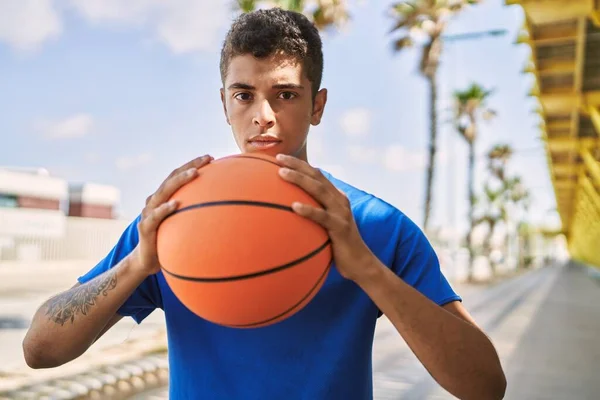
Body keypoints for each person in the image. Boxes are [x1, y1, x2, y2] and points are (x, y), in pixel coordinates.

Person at [23, 8, 506, 400]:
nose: (263, 117)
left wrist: (368, 270)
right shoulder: (175, 218)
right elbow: (39, 349)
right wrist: (137, 265)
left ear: (317, 106)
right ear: (224, 103)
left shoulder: (375, 226)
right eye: (244, 95)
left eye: (285, 95)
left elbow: (485, 386)